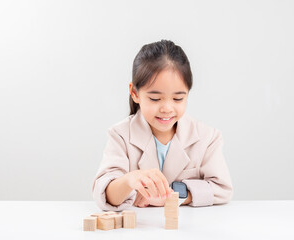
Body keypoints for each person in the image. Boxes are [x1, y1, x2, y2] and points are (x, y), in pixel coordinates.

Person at [92, 40, 233, 211]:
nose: (167, 108)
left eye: (178, 99)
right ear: (135, 93)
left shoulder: (207, 137)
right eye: (155, 99)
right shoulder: (120, 135)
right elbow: (105, 193)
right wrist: (131, 179)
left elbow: (222, 189)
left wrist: (173, 194)